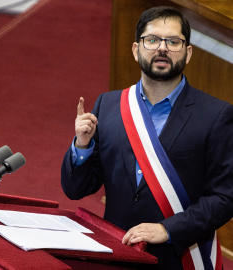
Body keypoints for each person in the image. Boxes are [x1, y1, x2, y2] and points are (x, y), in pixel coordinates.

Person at [61, 6, 233, 270]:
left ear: (187, 54)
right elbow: (77, 190)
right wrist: (81, 146)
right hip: (118, 254)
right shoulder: (108, 105)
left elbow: (224, 198)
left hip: (180, 259)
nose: (162, 48)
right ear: (135, 50)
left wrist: (167, 230)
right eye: (151, 40)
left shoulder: (216, 115)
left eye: (173, 41)